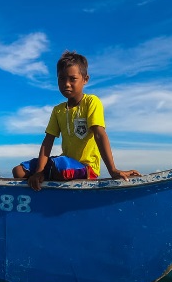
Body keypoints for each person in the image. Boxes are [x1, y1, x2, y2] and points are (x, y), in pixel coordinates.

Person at [12, 50, 140, 191]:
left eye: (72, 79)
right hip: (64, 163)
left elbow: (99, 134)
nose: (66, 84)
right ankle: (42, 189)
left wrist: (113, 170)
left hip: (86, 168)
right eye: (61, 79)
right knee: (18, 171)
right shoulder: (58, 110)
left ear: (85, 79)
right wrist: (38, 172)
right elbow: (48, 141)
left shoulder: (91, 102)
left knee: (58, 167)